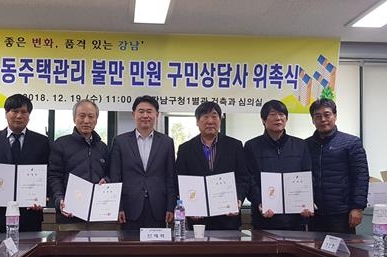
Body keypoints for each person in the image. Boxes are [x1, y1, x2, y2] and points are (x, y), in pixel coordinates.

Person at [0, 94, 50, 232]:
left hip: (30, 212)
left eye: (24, 112)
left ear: (29, 115)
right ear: (6, 113)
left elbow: (48, 172)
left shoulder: (42, 141)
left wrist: (43, 196)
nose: (19, 116)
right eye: (14, 111)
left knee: (30, 245)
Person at [175, 101, 248, 230]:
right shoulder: (185, 149)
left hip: (228, 218)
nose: (210, 121)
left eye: (214, 117)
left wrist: (238, 199)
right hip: (198, 220)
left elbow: (243, 178)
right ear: (197, 122)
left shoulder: (235, 146)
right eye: (205, 117)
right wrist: (189, 206)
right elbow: (179, 181)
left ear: (220, 120)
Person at [108, 95, 176, 229]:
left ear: (157, 115)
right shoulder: (120, 142)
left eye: (149, 111)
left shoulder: (167, 142)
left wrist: (170, 206)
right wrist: (118, 207)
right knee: (129, 242)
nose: (145, 115)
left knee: (156, 241)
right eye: (141, 111)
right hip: (129, 208)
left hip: (158, 207)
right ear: (134, 114)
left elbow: (170, 177)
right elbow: (115, 177)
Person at [244, 100, 313, 231]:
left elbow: (308, 175)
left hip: (296, 218)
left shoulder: (300, 145)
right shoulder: (251, 146)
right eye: (273, 114)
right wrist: (259, 201)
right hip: (264, 217)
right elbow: (249, 179)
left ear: (286, 119)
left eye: (282, 114)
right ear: (263, 120)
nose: (278, 118)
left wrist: (307, 200)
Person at [305, 98, 369, 233]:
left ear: (335, 116)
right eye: (318, 116)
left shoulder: (351, 143)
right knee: (314, 246)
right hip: (313, 213)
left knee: (342, 247)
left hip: (342, 213)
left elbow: (361, 176)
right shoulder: (306, 145)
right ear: (313, 120)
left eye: (327, 114)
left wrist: (357, 207)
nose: (323, 119)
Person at [48, 99, 109, 229]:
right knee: (69, 243)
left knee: (99, 242)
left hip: (98, 214)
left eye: (91, 116)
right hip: (69, 214)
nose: (86, 121)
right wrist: (59, 199)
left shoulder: (102, 147)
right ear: (74, 118)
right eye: (82, 116)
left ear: (96, 120)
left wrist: (106, 179)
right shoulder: (61, 144)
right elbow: (54, 176)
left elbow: (109, 173)